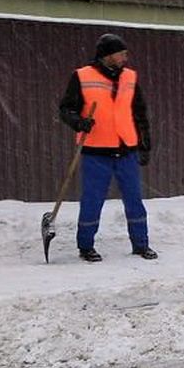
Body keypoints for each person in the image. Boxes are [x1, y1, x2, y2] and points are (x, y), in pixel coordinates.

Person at [58, 33, 157, 261]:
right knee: (92, 201)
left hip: (126, 150)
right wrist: (78, 122)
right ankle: (85, 247)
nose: (125, 57)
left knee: (134, 200)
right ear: (108, 55)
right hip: (96, 151)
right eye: (121, 53)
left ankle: (141, 244)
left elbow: (139, 113)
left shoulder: (130, 77)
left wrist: (144, 143)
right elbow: (66, 109)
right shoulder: (82, 76)